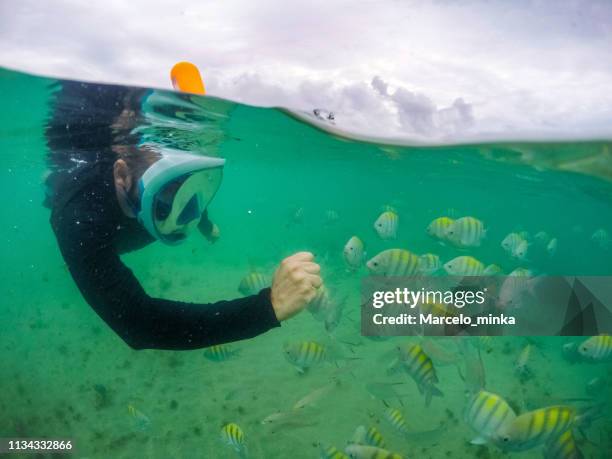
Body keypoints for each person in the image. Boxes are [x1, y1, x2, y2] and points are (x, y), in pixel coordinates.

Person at [44, 79, 321, 351]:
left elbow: (188, 188)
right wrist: (270, 307)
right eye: (164, 198)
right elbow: (140, 326)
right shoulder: (80, 219)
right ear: (121, 175)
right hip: (94, 227)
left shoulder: (168, 186)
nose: (184, 214)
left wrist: (205, 222)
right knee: (86, 259)